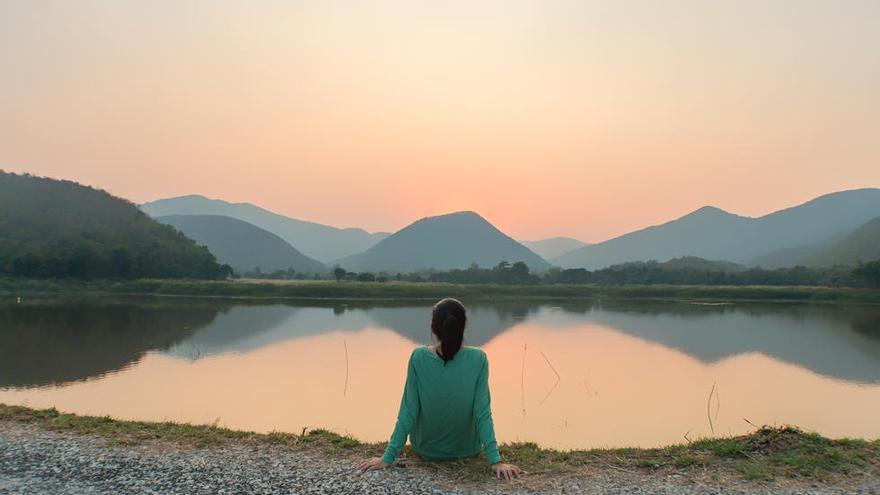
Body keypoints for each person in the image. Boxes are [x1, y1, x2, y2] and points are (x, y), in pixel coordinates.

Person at [356, 298, 521, 480]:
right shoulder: (479, 358)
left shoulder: (418, 357)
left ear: (433, 327)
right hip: (467, 450)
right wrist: (495, 460)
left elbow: (408, 410)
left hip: (426, 450)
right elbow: (482, 411)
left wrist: (387, 457)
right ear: (463, 326)